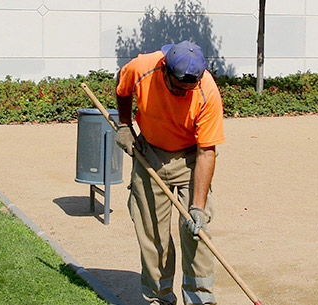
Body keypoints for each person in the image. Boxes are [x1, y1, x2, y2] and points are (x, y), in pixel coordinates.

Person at [115, 40, 224, 305]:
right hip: (149, 153)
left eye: (189, 89)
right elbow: (122, 87)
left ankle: (199, 298)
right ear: (164, 69)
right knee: (152, 232)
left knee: (196, 231)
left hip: (190, 159)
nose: (183, 94)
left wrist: (197, 207)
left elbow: (206, 151)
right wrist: (124, 124)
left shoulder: (207, 91)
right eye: (177, 87)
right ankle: (160, 296)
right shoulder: (142, 67)